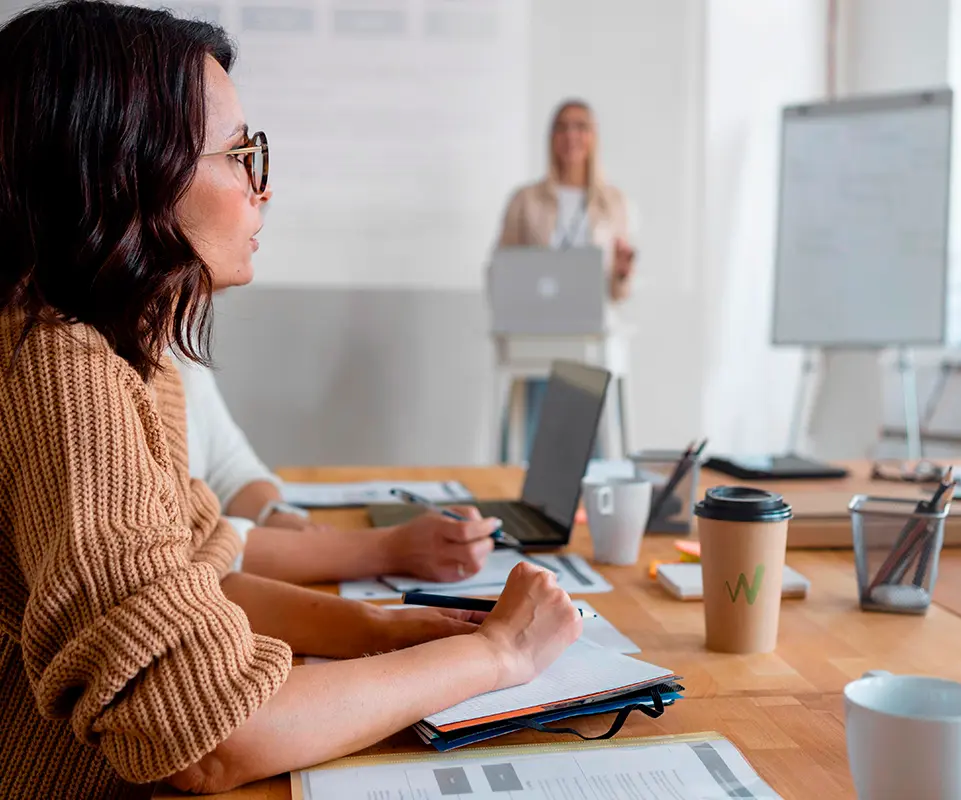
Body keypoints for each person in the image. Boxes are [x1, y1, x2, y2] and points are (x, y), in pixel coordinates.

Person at [0, 3, 581, 798]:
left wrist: (383, 630)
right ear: (129, 168)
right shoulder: (58, 364)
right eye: (239, 154)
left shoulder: (128, 355)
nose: (261, 188)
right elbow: (202, 738)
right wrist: (496, 657)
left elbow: (200, 574)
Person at [174, 353, 500, 584]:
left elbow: (229, 467)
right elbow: (181, 547)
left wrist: (274, 515)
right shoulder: (125, 368)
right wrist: (390, 550)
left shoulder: (172, 344)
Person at [495, 99, 637, 458]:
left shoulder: (613, 202)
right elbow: (503, 268)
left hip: (591, 331)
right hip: (539, 332)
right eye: (562, 127)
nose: (570, 136)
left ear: (593, 137)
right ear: (551, 137)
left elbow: (620, 292)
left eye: (580, 126)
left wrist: (622, 271)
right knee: (535, 435)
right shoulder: (525, 200)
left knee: (595, 434)